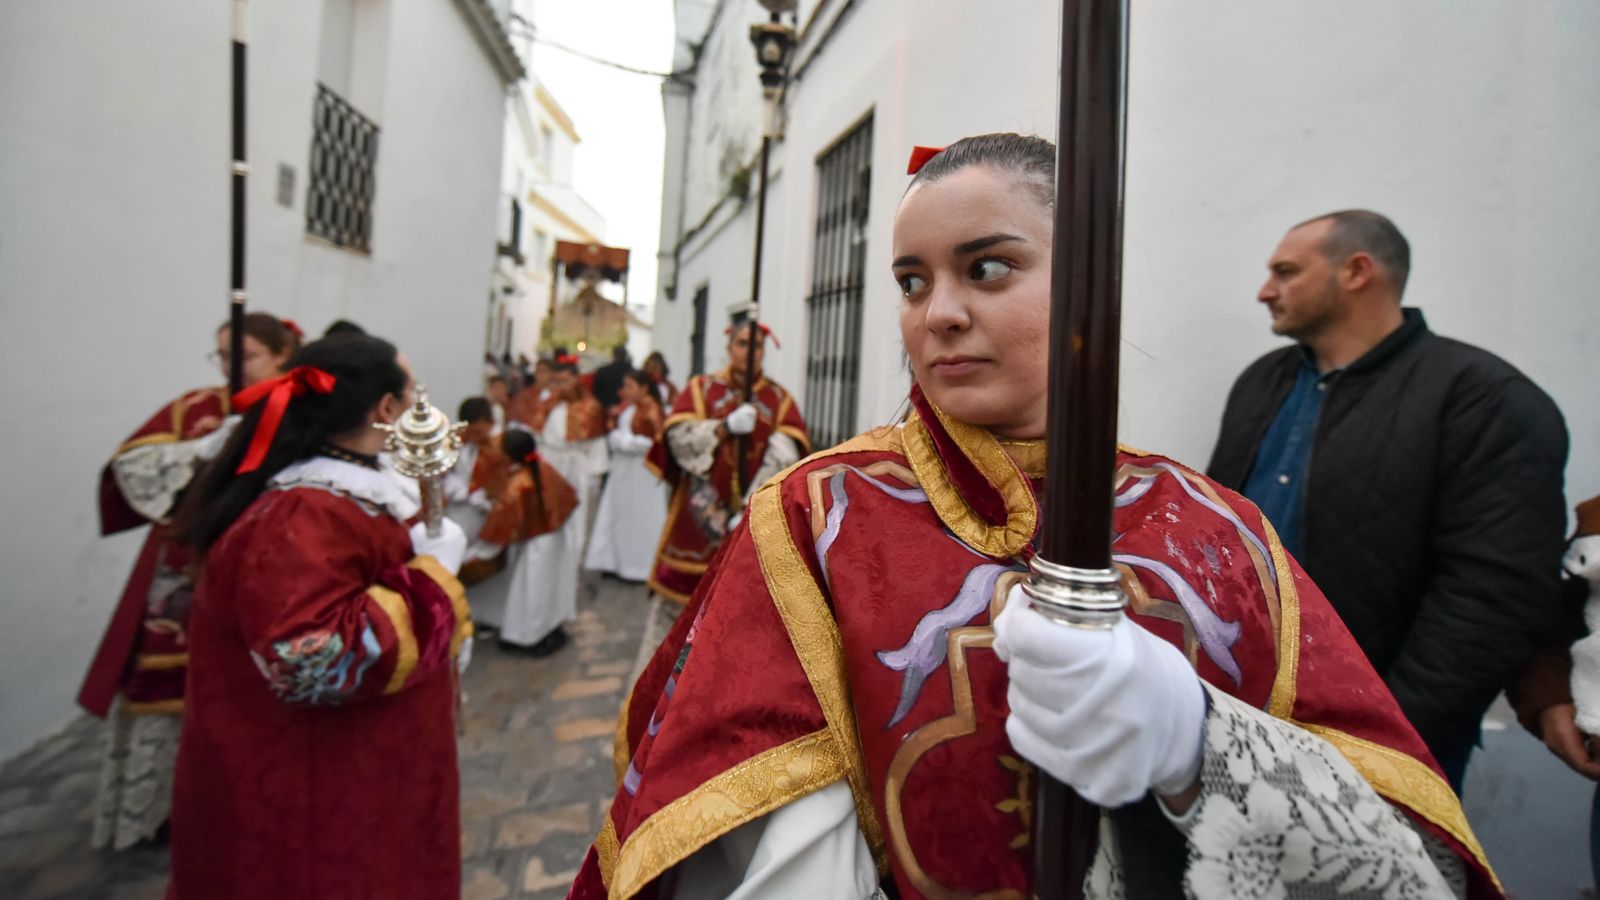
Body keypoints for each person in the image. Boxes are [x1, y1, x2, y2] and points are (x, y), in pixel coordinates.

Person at [571, 135, 1499, 899]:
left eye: (987, 267)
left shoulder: (1222, 531)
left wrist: (1197, 747)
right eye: (910, 281)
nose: (938, 313)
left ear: (1093, 278)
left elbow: (1412, 849)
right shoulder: (816, 517)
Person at [1207, 209, 1570, 790]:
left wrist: (1390, 733)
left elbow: (1495, 592)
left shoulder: (1483, 399)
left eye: (1286, 271)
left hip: (1394, 746)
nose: (1264, 291)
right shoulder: (1264, 381)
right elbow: (1217, 534)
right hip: (1247, 715)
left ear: (1356, 271)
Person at [166, 333, 471, 898]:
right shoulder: (304, 514)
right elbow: (314, 663)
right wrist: (430, 580)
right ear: (384, 409)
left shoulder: (341, 493)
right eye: (407, 396)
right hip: (314, 794)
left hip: (357, 774)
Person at [77, 311, 298, 850]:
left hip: (255, 570)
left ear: (281, 357)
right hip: (182, 570)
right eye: (221, 356)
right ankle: (154, 814)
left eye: (242, 357)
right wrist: (194, 454)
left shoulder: (297, 414)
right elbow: (133, 465)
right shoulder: (198, 409)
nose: (229, 368)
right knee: (165, 688)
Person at [643, 308, 810, 604]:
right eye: (742, 344)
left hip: (750, 520)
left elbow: (785, 458)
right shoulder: (701, 389)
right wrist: (724, 428)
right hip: (697, 514)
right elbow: (678, 440)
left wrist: (752, 507)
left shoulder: (779, 399)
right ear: (729, 347)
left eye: (756, 346)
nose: (749, 352)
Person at [472, 429, 581, 654]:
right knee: (549, 588)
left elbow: (501, 521)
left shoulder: (518, 483)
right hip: (554, 538)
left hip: (537, 546)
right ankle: (547, 627)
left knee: (532, 590)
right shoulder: (543, 467)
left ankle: (528, 635)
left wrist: (477, 550)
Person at [584, 370, 667, 581]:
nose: (625, 391)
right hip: (622, 470)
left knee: (638, 517)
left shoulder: (651, 409)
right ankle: (613, 561)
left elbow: (656, 442)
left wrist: (625, 442)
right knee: (618, 513)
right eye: (625, 386)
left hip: (642, 473)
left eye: (630, 386)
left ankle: (638, 566)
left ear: (644, 388)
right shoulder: (627, 407)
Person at [444, 396, 511, 583]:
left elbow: (506, 485)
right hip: (458, 509)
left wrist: (488, 501)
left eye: (479, 433)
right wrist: (458, 489)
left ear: (491, 423)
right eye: (469, 432)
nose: (473, 438)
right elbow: (446, 473)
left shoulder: (501, 449)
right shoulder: (456, 443)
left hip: (486, 515)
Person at [593, 345, 633, 411]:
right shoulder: (633, 372)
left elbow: (596, 393)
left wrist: (608, 406)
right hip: (628, 408)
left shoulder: (602, 371)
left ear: (613, 355)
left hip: (605, 409)